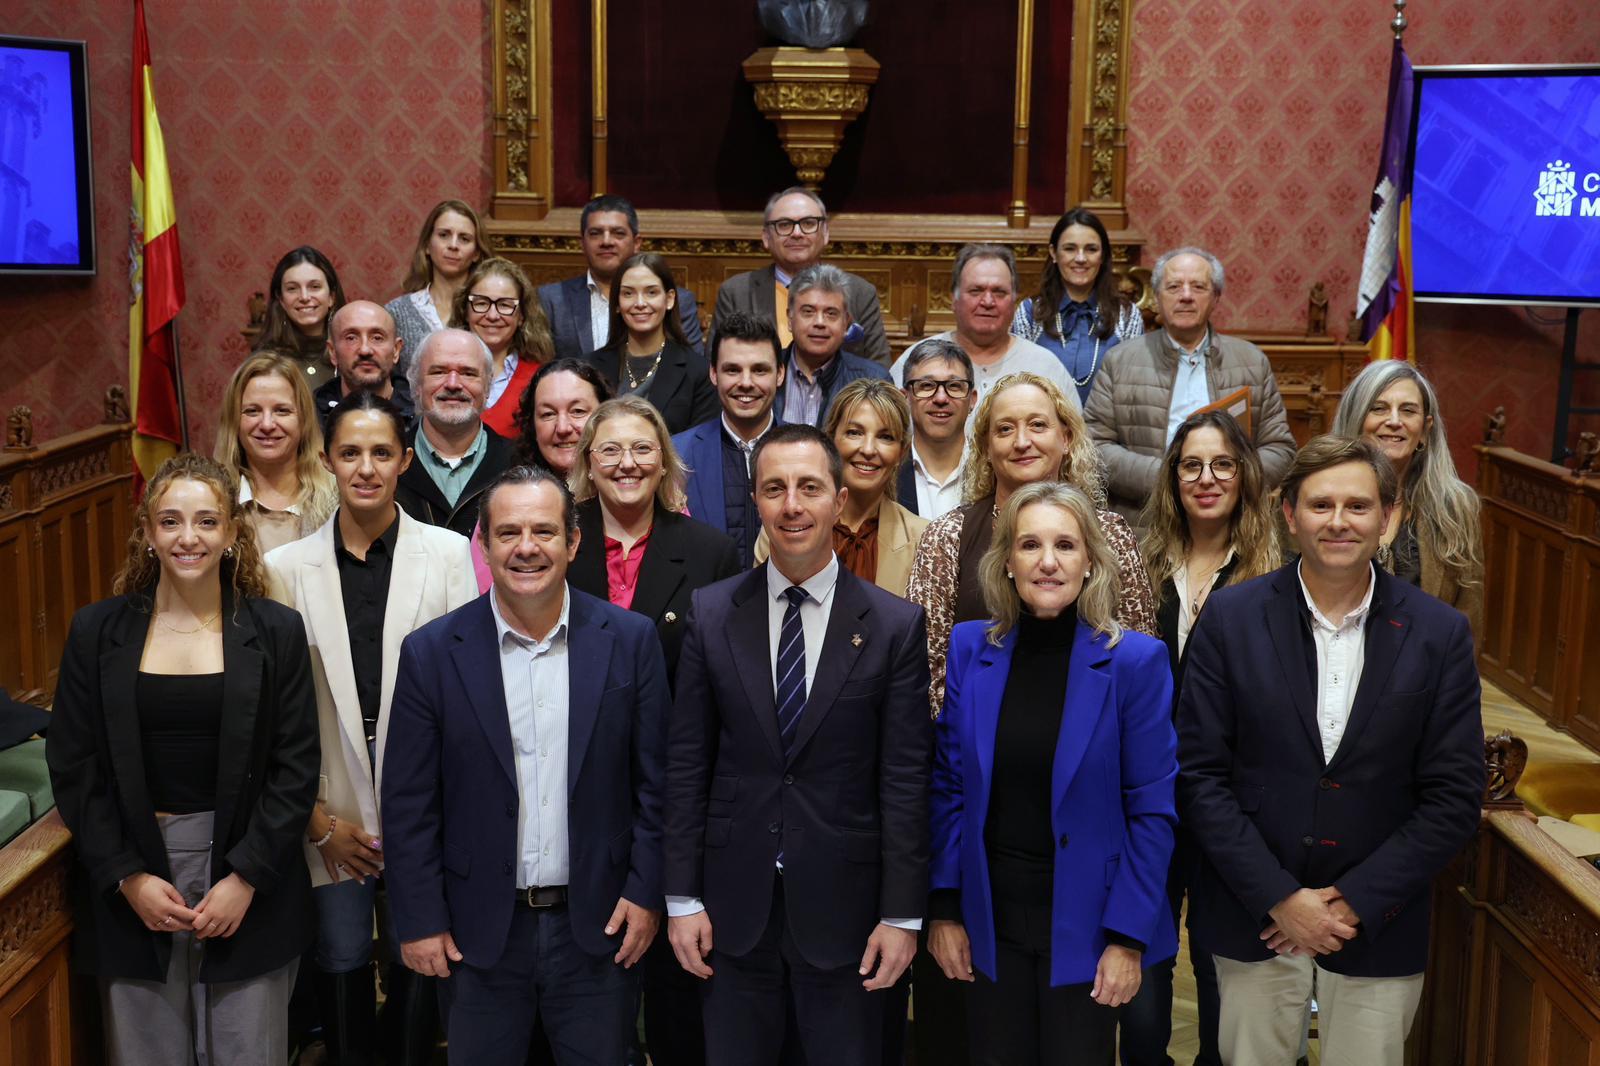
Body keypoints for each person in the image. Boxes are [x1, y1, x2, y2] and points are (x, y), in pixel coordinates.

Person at [1178, 435, 1485, 1066]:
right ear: (1289, 516)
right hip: (1253, 917)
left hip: (1380, 923)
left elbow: (1453, 796)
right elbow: (1197, 775)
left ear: (1389, 517)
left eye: (1357, 506)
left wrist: (1354, 903)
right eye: (1320, 506)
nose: (1339, 522)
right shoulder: (1230, 619)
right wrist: (1280, 899)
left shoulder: (1439, 634)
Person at [904, 372, 1157, 1066]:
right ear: (1006, 561)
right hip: (989, 918)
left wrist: (1128, 936)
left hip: (1088, 919)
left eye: (1066, 547)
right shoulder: (970, 649)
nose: (1048, 561)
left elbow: (1152, 808)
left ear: (1092, 561)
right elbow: (952, 784)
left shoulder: (1134, 661)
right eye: (1030, 547)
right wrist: (946, 908)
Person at [382, 465, 670, 1066]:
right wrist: (418, 919)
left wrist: (646, 893)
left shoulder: (631, 639)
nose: (527, 548)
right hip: (475, 933)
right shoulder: (432, 653)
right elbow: (408, 803)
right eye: (508, 532)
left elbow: (658, 786)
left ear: (573, 542)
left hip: (600, 929)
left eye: (544, 531)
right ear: (483, 544)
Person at [664, 423, 932, 1066]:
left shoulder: (894, 625)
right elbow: (686, 763)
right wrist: (681, 897)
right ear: (755, 500)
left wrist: (902, 915)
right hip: (730, 909)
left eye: (809, 487)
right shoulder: (710, 612)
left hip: (850, 914)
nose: (792, 505)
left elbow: (904, 778)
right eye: (775, 488)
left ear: (839, 501)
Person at [47, 453, 320, 1065]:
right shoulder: (97, 632)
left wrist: (245, 876)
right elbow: (75, 766)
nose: (188, 538)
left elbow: (296, 767)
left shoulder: (275, 632)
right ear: (147, 532)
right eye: (170, 522)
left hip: (250, 880)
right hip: (134, 876)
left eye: (205, 521)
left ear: (229, 533)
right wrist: (128, 876)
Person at [265, 393, 477, 1066]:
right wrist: (317, 820)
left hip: (426, 791)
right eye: (349, 452)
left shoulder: (448, 556)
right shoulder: (285, 569)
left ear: (405, 460)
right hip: (326, 799)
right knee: (343, 951)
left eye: (381, 453)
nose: (365, 467)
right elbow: (271, 712)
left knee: (422, 942)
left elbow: (470, 694)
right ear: (327, 460)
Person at [566, 397, 739, 1066]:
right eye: (609, 449)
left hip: (676, 795)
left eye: (642, 448)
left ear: (666, 460)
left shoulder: (709, 551)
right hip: (575, 793)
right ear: (587, 463)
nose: (627, 463)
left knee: (675, 1002)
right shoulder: (556, 537)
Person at [1120, 411, 1281, 1066]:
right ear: (1172, 477)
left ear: (1244, 475)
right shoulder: (1137, 559)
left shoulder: (1276, 571)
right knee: (1143, 954)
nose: (1206, 478)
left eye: (1222, 464)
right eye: (1191, 465)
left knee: (1223, 964)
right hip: (1146, 795)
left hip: (1234, 801)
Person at [1083, 246, 1297, 523]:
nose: (1185, 296)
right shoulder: (1120, 361)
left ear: (1216, 297)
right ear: (1157, 297)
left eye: (1198, 287)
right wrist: (1169, 477)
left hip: (1233, 523)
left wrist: (1225, 477)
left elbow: (1280, 449)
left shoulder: (1251, 362)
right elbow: (1095, 447)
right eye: (1173, 287)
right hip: (1145, 524)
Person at [1332, 361, 1484, 636]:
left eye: (1408, 410)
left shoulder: (1455, 507)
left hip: (1420, 671)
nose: (1393, 421)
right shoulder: (1314, 499)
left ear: (1425, 429)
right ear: (1355, 418)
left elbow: (1467, 615)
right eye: (1378, 408)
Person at [756, 379, 928, 599]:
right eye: (854, 433)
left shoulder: (922, 539)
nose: (868, 449)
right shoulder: (787, 523)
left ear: (901, 453)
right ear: (831, 441)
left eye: (885, 437)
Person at [891, 243, 1078, 415]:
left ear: (1014, 301)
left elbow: (1077, 443)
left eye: (999, 292)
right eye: (975, 291)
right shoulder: (917, 360)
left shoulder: (1045, 367)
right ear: (953, 300)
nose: (988, 302)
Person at [712, 187, 888, 361]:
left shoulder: (860, 292)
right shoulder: (736, 292)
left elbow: (879, 371)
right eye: (784, 225)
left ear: (825, 233)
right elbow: (717, 364)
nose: (797, 233)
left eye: (808, 223)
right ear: (766, 237)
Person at [673, 311, 786, 568]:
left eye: (759, 370)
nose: (746, 383)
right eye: (732, 370)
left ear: (780, 374)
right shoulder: (676, 454)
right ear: (713, 374)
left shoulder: (807, 453)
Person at [539, 194, 703, 360]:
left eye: (618, 233)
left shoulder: (679, 301)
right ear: (582, 243)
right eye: (595, 233)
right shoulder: (552, 300)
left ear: (637, 243)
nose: (607, 241)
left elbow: (693, 372)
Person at [1012, 208, 1144, 405]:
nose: (1081, 258)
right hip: (1042, 432)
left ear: (1103, 256)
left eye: (1091, 249)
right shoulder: (1030, 313)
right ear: (1053, 253)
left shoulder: (1126, 315)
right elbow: (1017, 386)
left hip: (1107, 433)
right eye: (1070, 248)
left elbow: (1133, 390)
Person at [395, 329, 516, 538]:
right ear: (416, 384)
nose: (453, 384)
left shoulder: (519, 463)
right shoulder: (388, 464)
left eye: (468, 373)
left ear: (487, 386)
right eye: (439, 372)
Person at [215, 350, 338, 554]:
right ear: (234, 421)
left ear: (303, 420)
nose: (267, 424)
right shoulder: (214, 503)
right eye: (252, 411)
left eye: (282, 410)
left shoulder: (337, 501)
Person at [587, 252, 718, 434]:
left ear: (669, 299)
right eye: (628, 293)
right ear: (617, 303)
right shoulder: (589, 368)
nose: (640, 303)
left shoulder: (698, 372)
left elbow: (698, 446)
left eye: (651, 292)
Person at [769, 264, 891, 429]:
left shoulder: (874, 380)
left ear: (845, 322)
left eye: (831, 313)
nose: (820, 322)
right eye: (808, 312)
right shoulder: (764, 372)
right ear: (790, 319)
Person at [449, 256, 555, 439]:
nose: (492, 315)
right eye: (481, 303)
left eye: (505, 305)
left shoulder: (541, 378)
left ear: (521, 316)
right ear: (465, 311)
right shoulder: (442, 372)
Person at [387, 199, 492, 371]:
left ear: (476, 253)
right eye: (444, 235)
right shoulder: (396, 312)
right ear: (427, 245)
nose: (453, 245)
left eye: (464, 239)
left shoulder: (490, 314)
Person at [895, 338, 977, 519]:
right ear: (905, 398)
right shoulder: (886, 471)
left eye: (954, 386)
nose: (941, 398)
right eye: (926, 386)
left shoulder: (993, 471)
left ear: (972, 399)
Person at [313, 300, 416, 434]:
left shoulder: (423, 414)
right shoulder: (309, 416)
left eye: (377, 338)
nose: (365, 350)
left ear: (396, 350)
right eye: (351, 338)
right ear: (333, 352)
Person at [255, 246, 347, 383]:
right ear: (281, 299)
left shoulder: (353, 354)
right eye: (292, 289)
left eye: (314, 287)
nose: (304, 297)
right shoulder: (263, 363)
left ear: (331, 296)